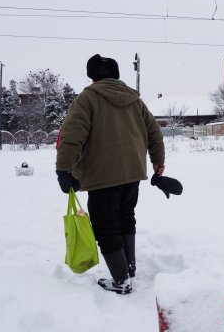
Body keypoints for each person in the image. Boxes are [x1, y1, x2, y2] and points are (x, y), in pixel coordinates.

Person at [56, 54, 165, 294]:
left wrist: (63, 169)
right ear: (116, 75)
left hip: (102, 176)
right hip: (133, 173)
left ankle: (121, 280)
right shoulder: (135, 101)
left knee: (106, 227)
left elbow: (72, 136)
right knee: (126, 217)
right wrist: (158, 165)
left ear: (92, 75)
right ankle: (129, 268)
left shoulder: (87, 98)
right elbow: (155, 134)